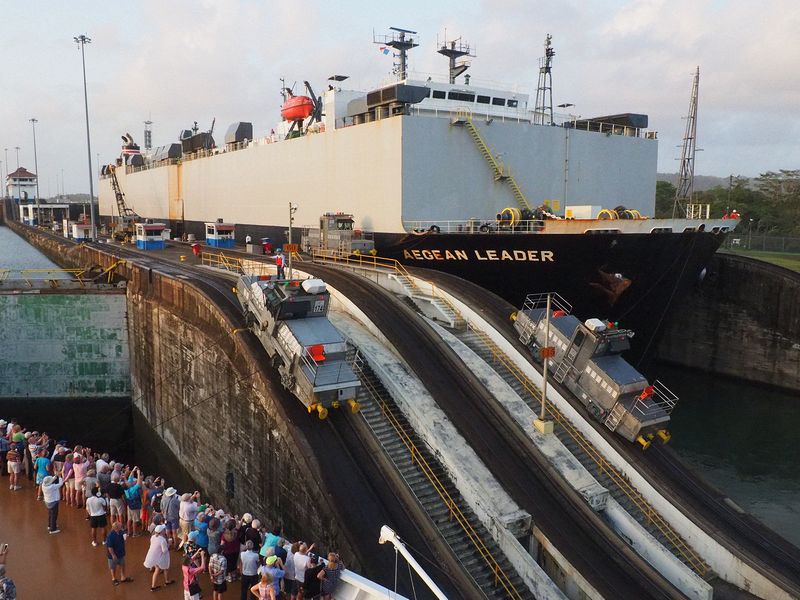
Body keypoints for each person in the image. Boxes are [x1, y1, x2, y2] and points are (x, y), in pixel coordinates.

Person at [144, 524, 175, 591]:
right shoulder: (162, 540)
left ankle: (155, 585)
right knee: (165, 568)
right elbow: (165, 550)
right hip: (160, 557)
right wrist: (169, 543)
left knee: (157, 570)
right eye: (164, 530)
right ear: (161, 532)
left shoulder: (153, 537)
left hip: (154, 556)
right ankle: (165, 582)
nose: (165, 530)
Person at [106, 521, 133, 586]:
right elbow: (110, 547)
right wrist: (113, 555)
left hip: (121, 553)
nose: (122, 527)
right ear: (116, 528)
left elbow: (123, 534)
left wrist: (125, 536)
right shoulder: (110, 536)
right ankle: (114, 579)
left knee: (122, 565)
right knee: (113, 567)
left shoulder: (120, 532)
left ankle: (123, 577)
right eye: (120, 526)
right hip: (113, 555)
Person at [124, 466, 144, 536]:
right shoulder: (132, 490)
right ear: (128, 485)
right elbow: (138, 484)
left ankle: (129, 532)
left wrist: (133, 470)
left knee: (129, 519)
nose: (128, 482)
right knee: (134, 520)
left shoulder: (127, 488)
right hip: (135, 506)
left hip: (129, 505)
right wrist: (138, 473)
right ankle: (134, 533)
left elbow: (130, 478)